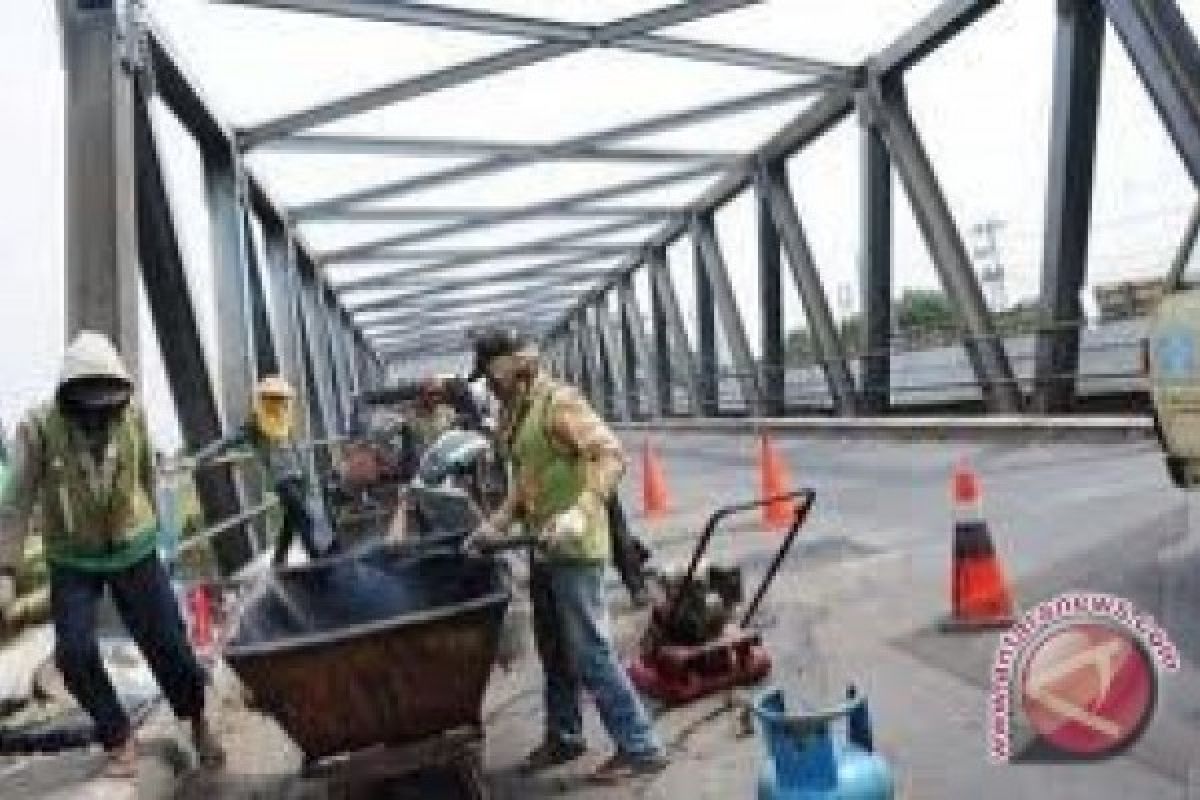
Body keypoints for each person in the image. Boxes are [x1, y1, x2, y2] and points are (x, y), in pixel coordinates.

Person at [0, 331, 225, 778]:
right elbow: (16, 502)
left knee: (170, 644)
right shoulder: (38, 428)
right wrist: (4, 568)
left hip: (134, 546)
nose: (98, 415)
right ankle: (118, 734)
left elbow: (146, 474)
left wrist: (158, 535)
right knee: (75, 653)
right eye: (88, 406)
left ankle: (197, 721)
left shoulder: (134, 416)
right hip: (72, 555)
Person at [463, 328, 667, 785]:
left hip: (576, 545)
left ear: (511, 364)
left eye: (490, 374)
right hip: (543, 547)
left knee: (590, 649)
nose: (487, 385)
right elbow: (529, 481)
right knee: (554, 648)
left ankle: (640, 745)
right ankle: (565, 735)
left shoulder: (559, 403)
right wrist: (497, 523)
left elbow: (611, 455)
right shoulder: (517, 413)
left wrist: (581, 510)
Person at [191, 375, 330, 567]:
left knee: (291, 520)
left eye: (280, 398)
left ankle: (278, 560)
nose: (278, 402)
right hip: (283, 481)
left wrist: (306, 473)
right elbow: (227, 441)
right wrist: (200, 457)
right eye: (273, 397)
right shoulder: (255, 425)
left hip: (298, 477)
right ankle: (319, 561)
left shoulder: (285, 421)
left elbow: (295, 449)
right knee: (303, 517)